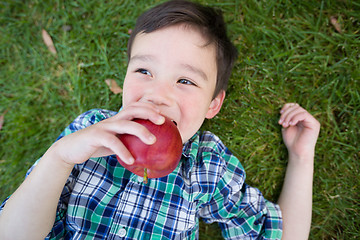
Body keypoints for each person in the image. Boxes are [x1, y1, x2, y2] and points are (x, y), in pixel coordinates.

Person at [0, 0, 320, 239]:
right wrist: (60, 157)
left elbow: (276, 234)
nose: (158, 94)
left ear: (213, 104)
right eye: (144, 71)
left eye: (185, 81)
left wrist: (302, 158)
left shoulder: (205, 165)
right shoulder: (89, 133)